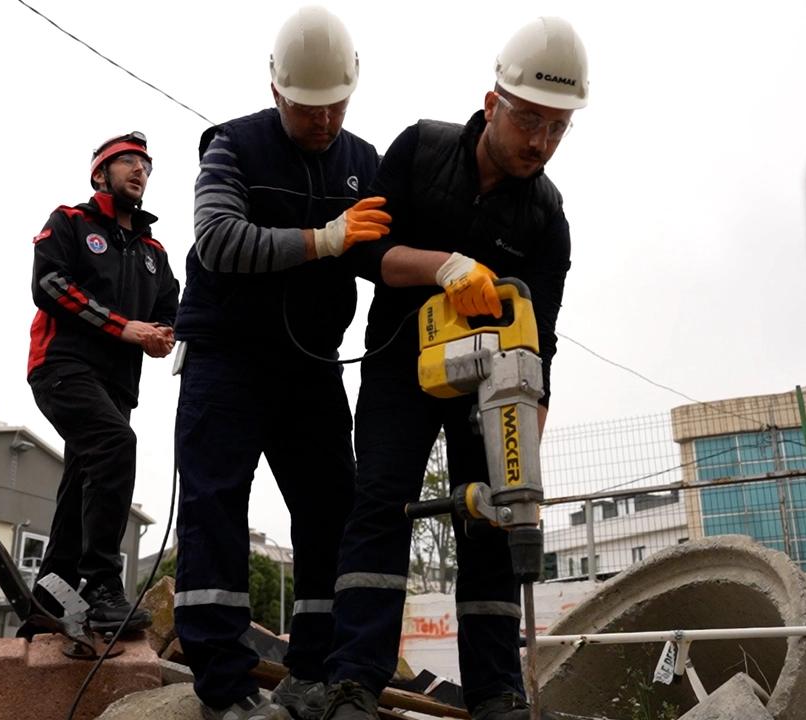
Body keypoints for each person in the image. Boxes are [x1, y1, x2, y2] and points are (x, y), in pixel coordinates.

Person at [319, 17, 589, 720]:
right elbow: (364, 253)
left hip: (491, 386)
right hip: (400, 364)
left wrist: (527, 435)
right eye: (529, 120)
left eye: (557, 128)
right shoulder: (421, 150)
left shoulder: (547, 219)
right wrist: (442, 266)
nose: (540, 142)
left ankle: (497, 692)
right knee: (380, 504)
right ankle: (353, 680)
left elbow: (541, 340)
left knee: (494, 519)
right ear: (493, 103)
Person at [170, 6, 389, 720]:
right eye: (307, 108)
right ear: (276, 92)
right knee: (214, 506)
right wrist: (323, 241)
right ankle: (224, 686)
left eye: (336, 107)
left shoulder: (364, 163)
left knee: (332, 511)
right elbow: (218, 240)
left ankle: (314, 673)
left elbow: (387, 251)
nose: (323, 122)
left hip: (310, 365)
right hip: (226, 357)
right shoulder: (232, 146)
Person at [26, 131, 179, 632]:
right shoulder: (69, 221)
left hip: (118, 384)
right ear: (100, 174)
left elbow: (171, 310)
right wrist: (124, 327)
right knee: (115, 444)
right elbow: (49, 284)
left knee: (81, 482)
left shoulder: (155, 251)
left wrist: (164, 333)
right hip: (62, 366)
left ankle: (48, 598)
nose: (140, 171)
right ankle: (103, 585)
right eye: (128, 161)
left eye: (146, 166)